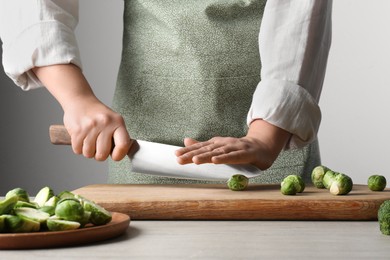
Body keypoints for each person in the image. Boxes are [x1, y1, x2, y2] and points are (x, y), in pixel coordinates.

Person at [0, 0, 332, 184]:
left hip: (270, 160)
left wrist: (264, 136)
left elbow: (299, 17)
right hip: (143, 151)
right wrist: (77, 99)